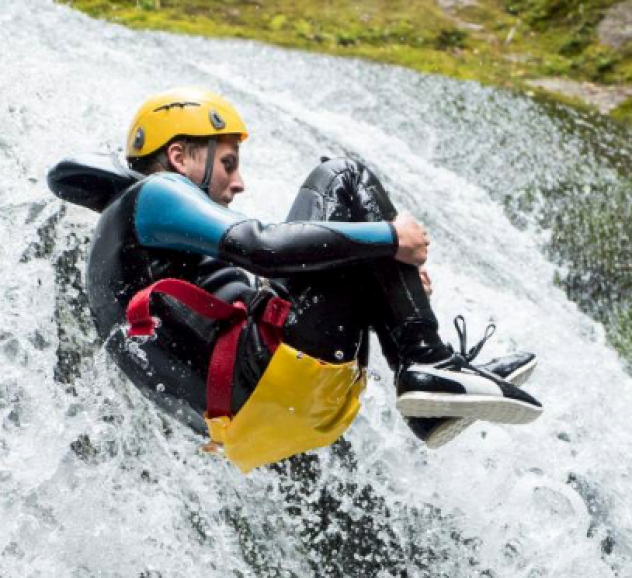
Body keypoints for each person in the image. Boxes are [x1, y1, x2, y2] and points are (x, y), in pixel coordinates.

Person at [48, 87, 542, 472]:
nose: (238, 182)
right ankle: (428, 363)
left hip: (253, 418)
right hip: (264, 372)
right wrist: (391, 238)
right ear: (180, 157)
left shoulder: (129, 246)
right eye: (227, 163)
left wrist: (390, 286)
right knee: (343, 177)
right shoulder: (155, 194)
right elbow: (263, 247)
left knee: (349, 255)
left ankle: (431, 389)